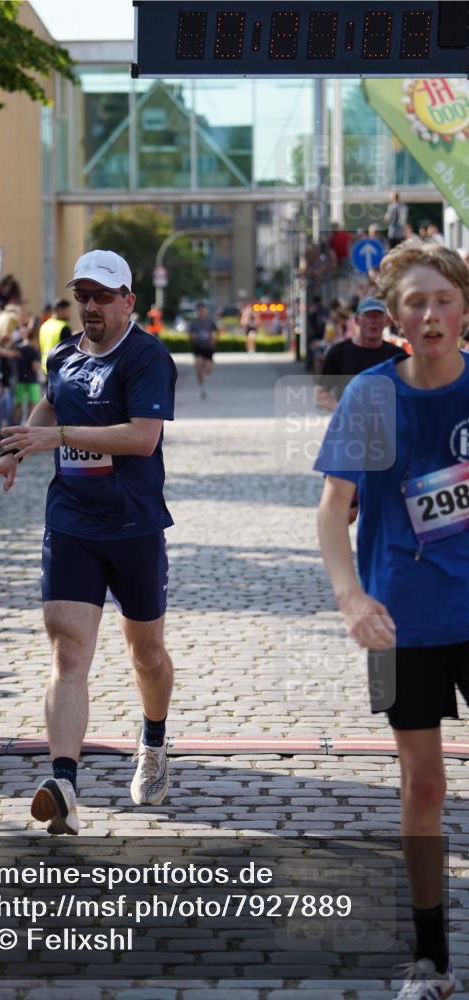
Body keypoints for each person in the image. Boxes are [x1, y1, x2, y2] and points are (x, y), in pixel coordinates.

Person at [315, 240, 468, 1000]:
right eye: (414, 302)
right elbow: (330, 515)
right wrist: (350, 598)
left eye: (442, 299)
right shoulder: (370, 396)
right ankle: (430, 960)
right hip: (395, 619)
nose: (430, 315)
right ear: (392, 315)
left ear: (464, 310)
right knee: (422, 787)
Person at [0, 249, 177, 836]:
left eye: (101, 296)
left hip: (135, 526)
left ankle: (153, 740)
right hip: (71, 522)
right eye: (81, 295)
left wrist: (58, 437)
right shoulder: (63, 351)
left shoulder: (147, 356)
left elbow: (142, 439)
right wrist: (18, 450)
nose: (89, 307)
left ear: (127, 302)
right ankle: (63, 779)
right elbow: (53, 402)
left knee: (147, 655)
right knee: (68, 652)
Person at [316, 297, 407, 413]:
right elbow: (321, 393)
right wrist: (342, 413)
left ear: (386, 321)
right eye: (368, 316)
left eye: (378, 316)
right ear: (357, 320)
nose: (374, 321)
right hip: (352, 427)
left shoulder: (397, 356)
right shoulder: (338, 352)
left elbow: (411, 391)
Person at [188, 301, 218, 398]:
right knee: (198, 367)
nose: (201, 312)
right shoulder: (194, 323)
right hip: (198, 348)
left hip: (208, 348)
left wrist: (213, 340)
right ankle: (202, 387)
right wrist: (194, 338)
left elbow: (215, 334)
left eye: (203, 311)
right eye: (200, 311)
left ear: (206, 311)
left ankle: (206, 364)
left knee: (208, 371)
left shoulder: (210, 322)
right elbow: (191, 336)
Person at [38, 298, 72, 376]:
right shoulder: (63, 327)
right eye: (67, 310)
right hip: (60, 369)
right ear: (60, 310)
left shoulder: (44, 325)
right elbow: (69, 351)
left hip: (45, 366)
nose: (69, 313)